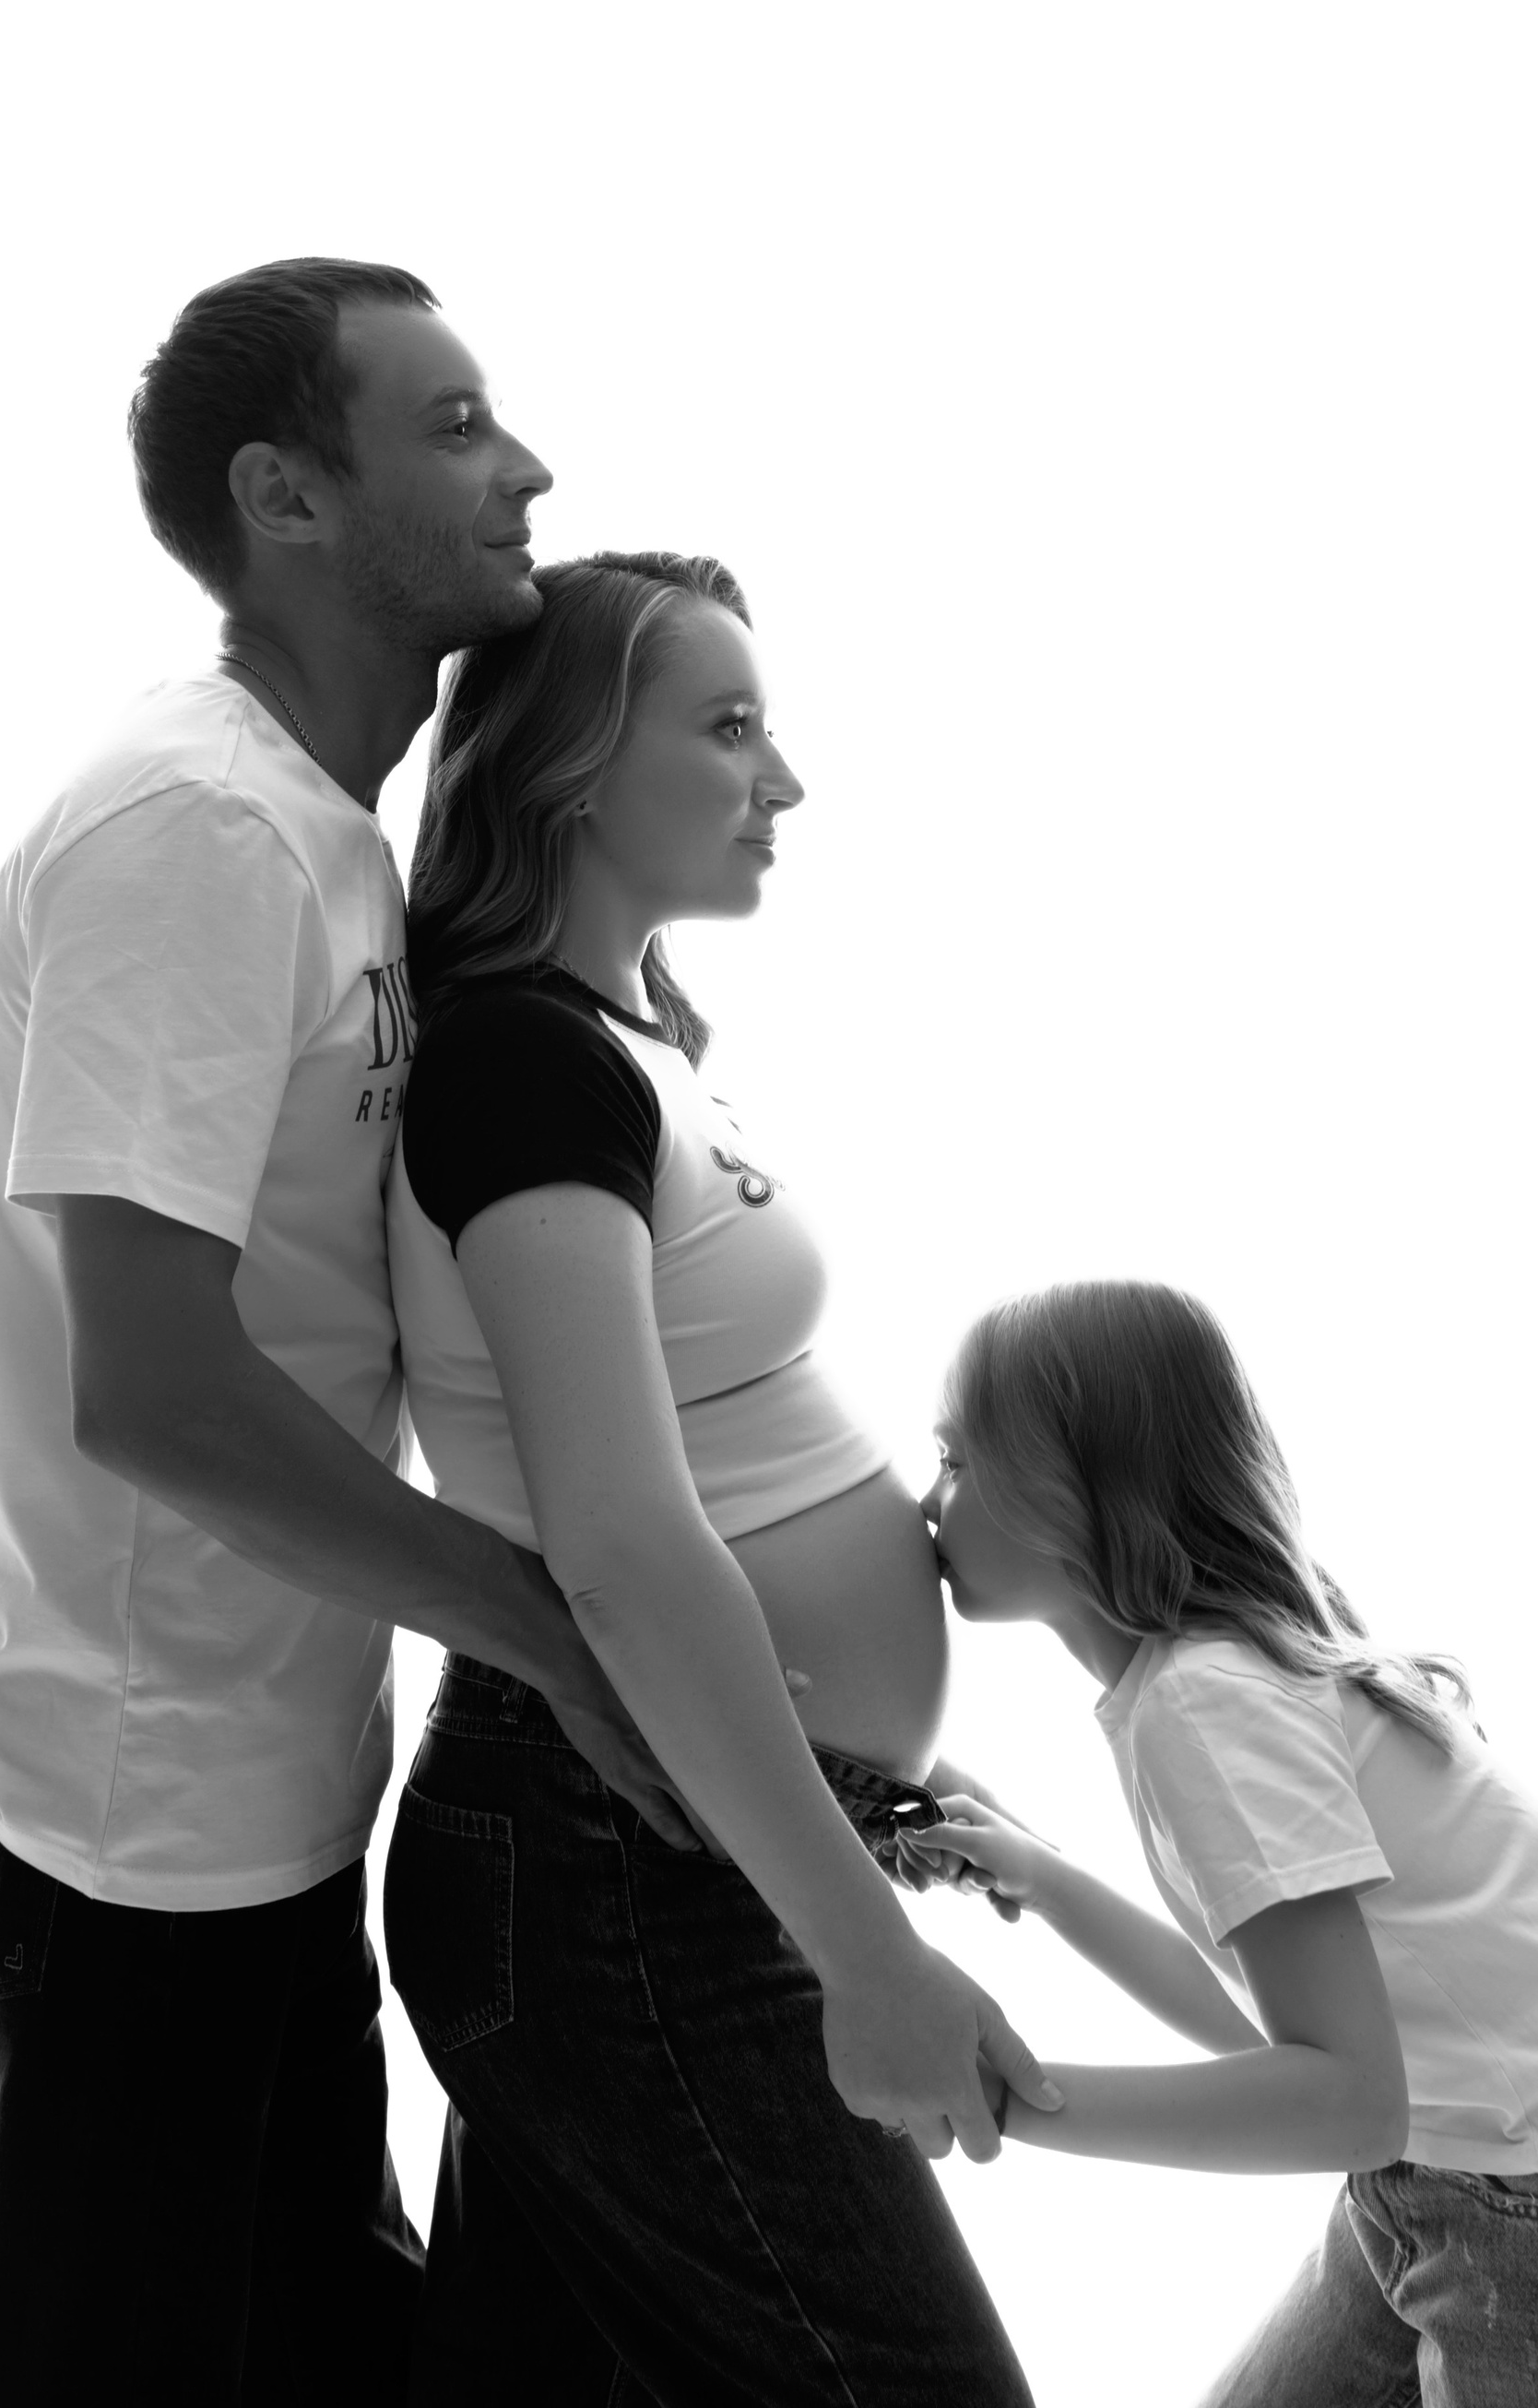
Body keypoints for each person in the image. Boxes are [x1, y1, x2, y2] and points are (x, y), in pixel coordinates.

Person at [0, 260, 692, 2407]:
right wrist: (549, 1636)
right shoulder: (198, 831)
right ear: (285, 497)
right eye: (453, 426)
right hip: (124, 1805)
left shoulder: (325, 838)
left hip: (259, 1776)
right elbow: (155, 1389)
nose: (526, 468)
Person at [383, 550, 1059, 2406]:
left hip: (652, 1842)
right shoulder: (523, 1067)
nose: (787, 779)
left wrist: (855, 1779)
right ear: (573, 767)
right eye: (731, 726)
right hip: (624, 1869)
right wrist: (864, 1950)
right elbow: (614, 1544)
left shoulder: (627, 1048)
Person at [911, 1279, 1538, 2406]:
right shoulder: (1209, 1675)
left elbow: (1345, 2103)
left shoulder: (1203, 1705)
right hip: (1441, 2165)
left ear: (1069, 1490)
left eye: (955, 1459)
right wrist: (1044, 1879)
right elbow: (1270, 2031)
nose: (925, 1501)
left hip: (1504, 2200)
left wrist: (1005, 2101)